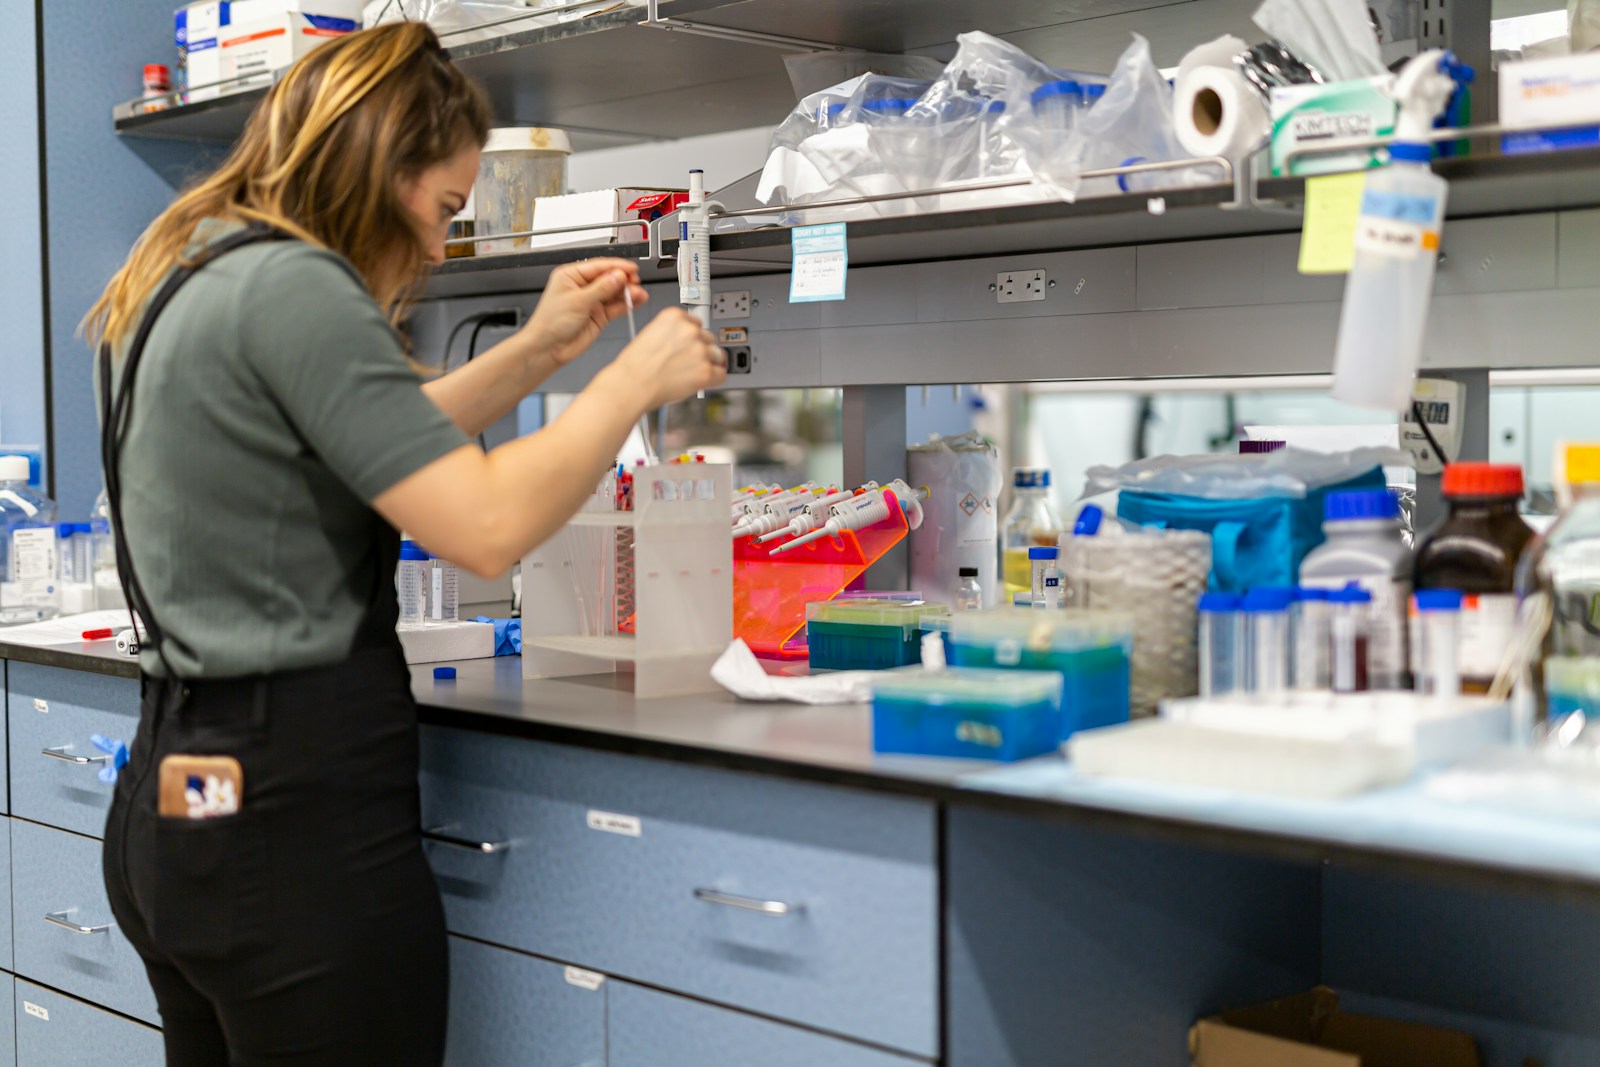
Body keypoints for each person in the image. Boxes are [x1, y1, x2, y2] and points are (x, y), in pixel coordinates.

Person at [83, 22, 724, 1067]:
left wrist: (536, 352)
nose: (436, 247)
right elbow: (481, 525)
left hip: (181, 801)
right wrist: (627, 384)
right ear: (384, 169)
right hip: (292, 821)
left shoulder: (193, 264)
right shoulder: (298, 284)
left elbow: (356, 435)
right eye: (443, 209)